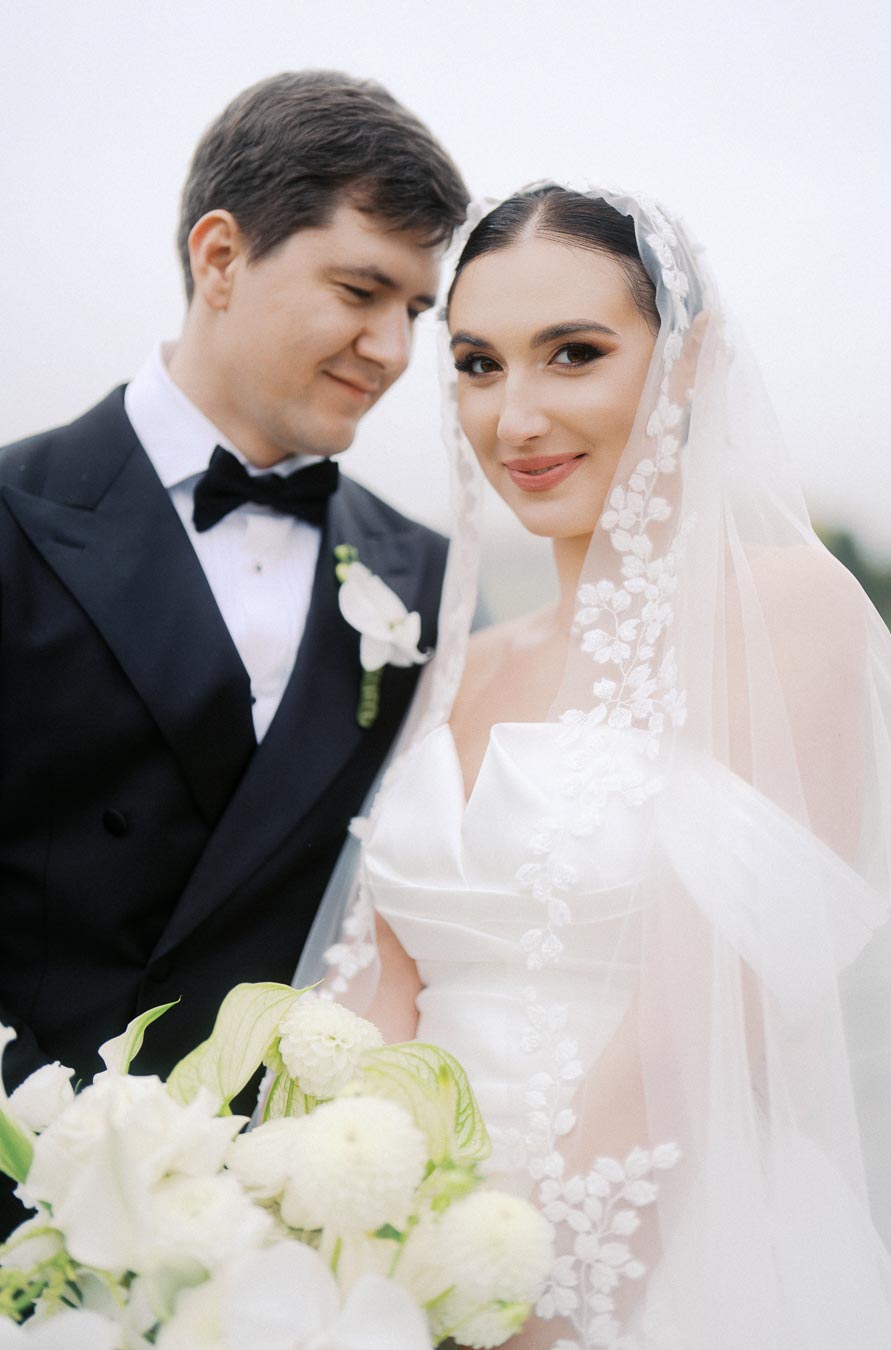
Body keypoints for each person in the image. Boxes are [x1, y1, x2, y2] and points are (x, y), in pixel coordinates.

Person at [304, 185, 891, 1346]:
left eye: (573, 354)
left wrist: (523, 1307)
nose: (516, 417)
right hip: (407, 1274)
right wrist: (349, 1254)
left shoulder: (787, 615)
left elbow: (705, 1022)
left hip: (673, 1260)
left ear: (689, 362)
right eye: (478, 366)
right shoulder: (461, 667)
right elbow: (377, 1001)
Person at [0, 71, 467, 1233]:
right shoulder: (10, 514)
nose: (391, 348)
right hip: (28, 1199)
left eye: (416, 310)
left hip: (290, 1226)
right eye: (360, 290)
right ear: (220, 258)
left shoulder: (430, 579)